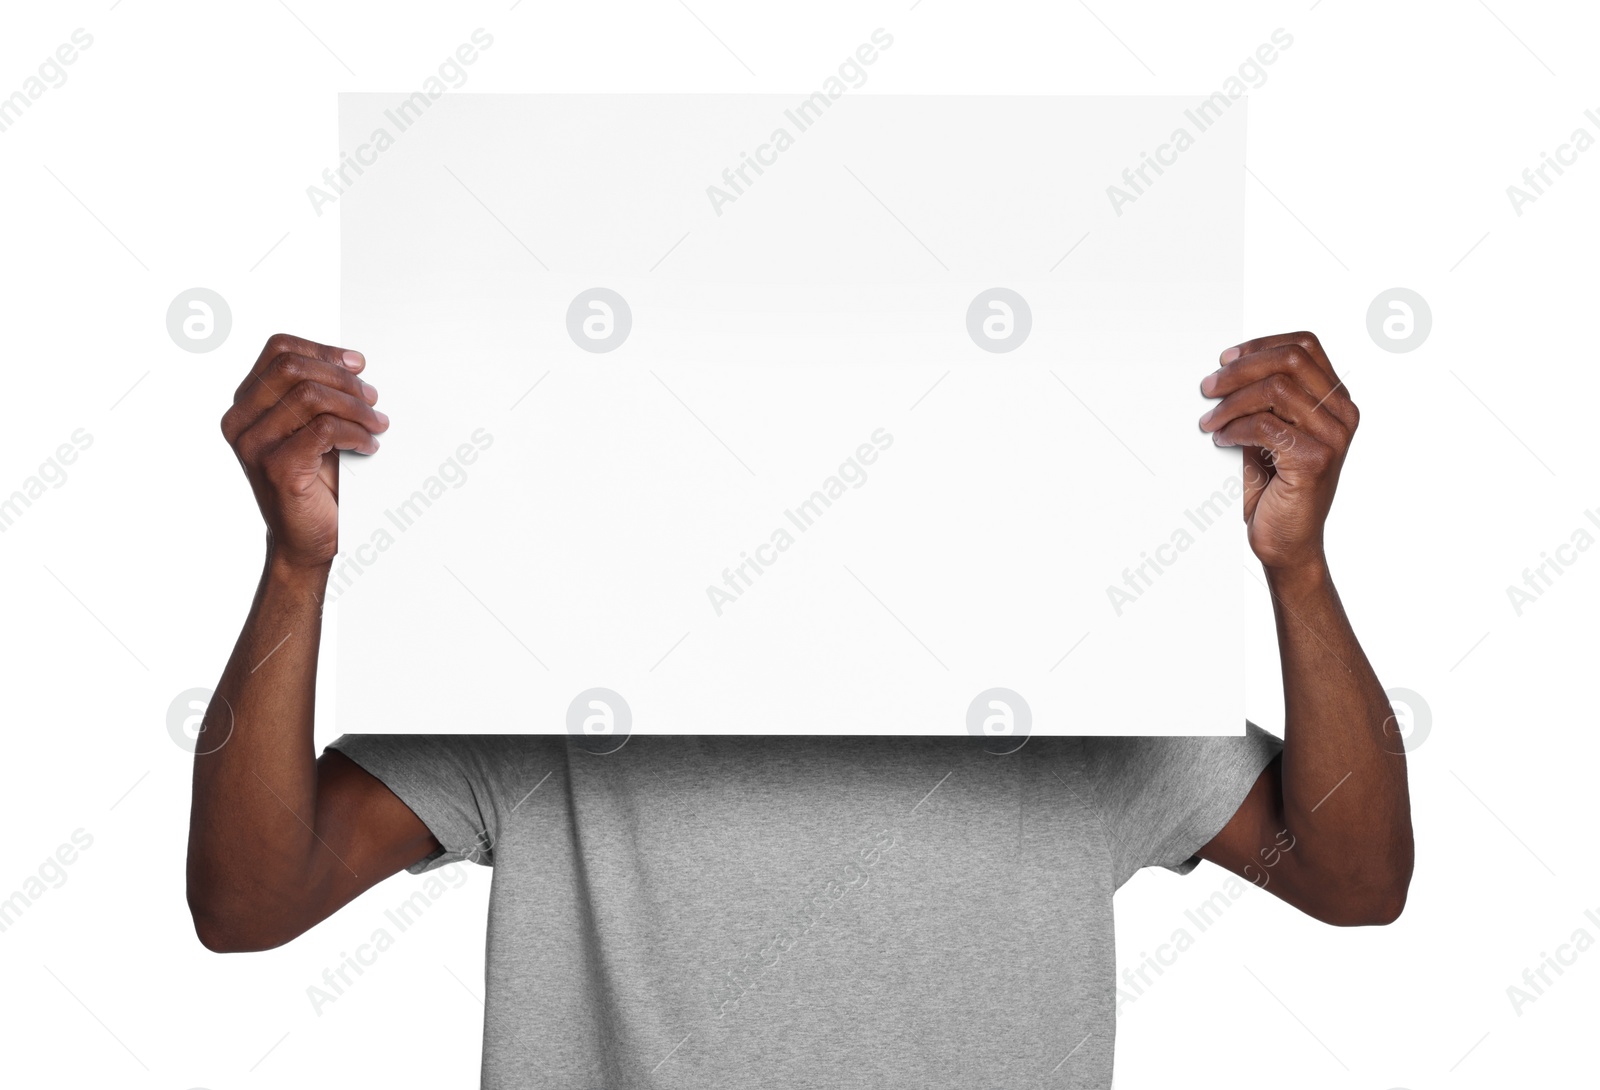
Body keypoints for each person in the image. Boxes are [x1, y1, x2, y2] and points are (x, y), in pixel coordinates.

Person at [187, 331, 1412, 1088]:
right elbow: (247, 902)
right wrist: (297, 562)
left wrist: (1296, 566)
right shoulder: (547, 669)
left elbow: (1357, 882)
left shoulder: (1080, 681)